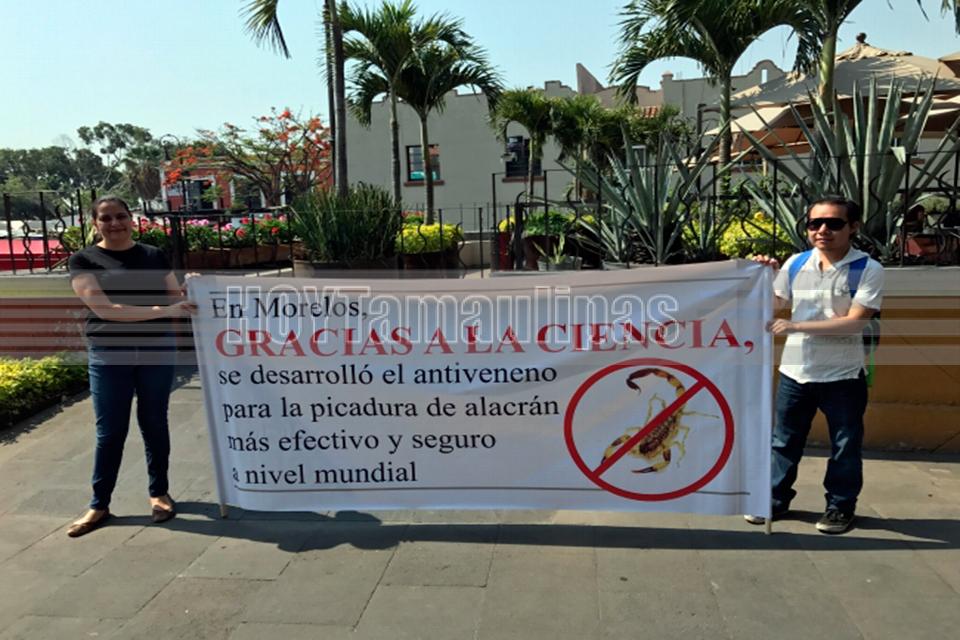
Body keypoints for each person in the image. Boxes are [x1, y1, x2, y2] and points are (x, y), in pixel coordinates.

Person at [747, 196, 884, 534]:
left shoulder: (867, 269)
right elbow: (775, 305)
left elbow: (854, 323)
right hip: (795, 372)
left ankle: (840, 507)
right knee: (783, 442)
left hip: (843, 375)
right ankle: (774, 500)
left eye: (834, 223)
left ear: (853, 227)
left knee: (844, 446)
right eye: (814, 223)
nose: (823, 230)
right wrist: (762, 277)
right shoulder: (796, 263)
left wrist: (795, 326)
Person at [66, 196, 196, 537]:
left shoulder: (153, 255)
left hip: (156, 350)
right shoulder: (83, 260)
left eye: (120, 216)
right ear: (95, 223)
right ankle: (99, 504)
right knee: (110, 431)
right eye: (106, 218)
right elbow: (105, 309)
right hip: (110, 353)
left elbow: (175, 296)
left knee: (154, 422)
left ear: (131, 219)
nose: (115, 223)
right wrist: (164, 311)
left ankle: (159, 493)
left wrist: (194, 288)